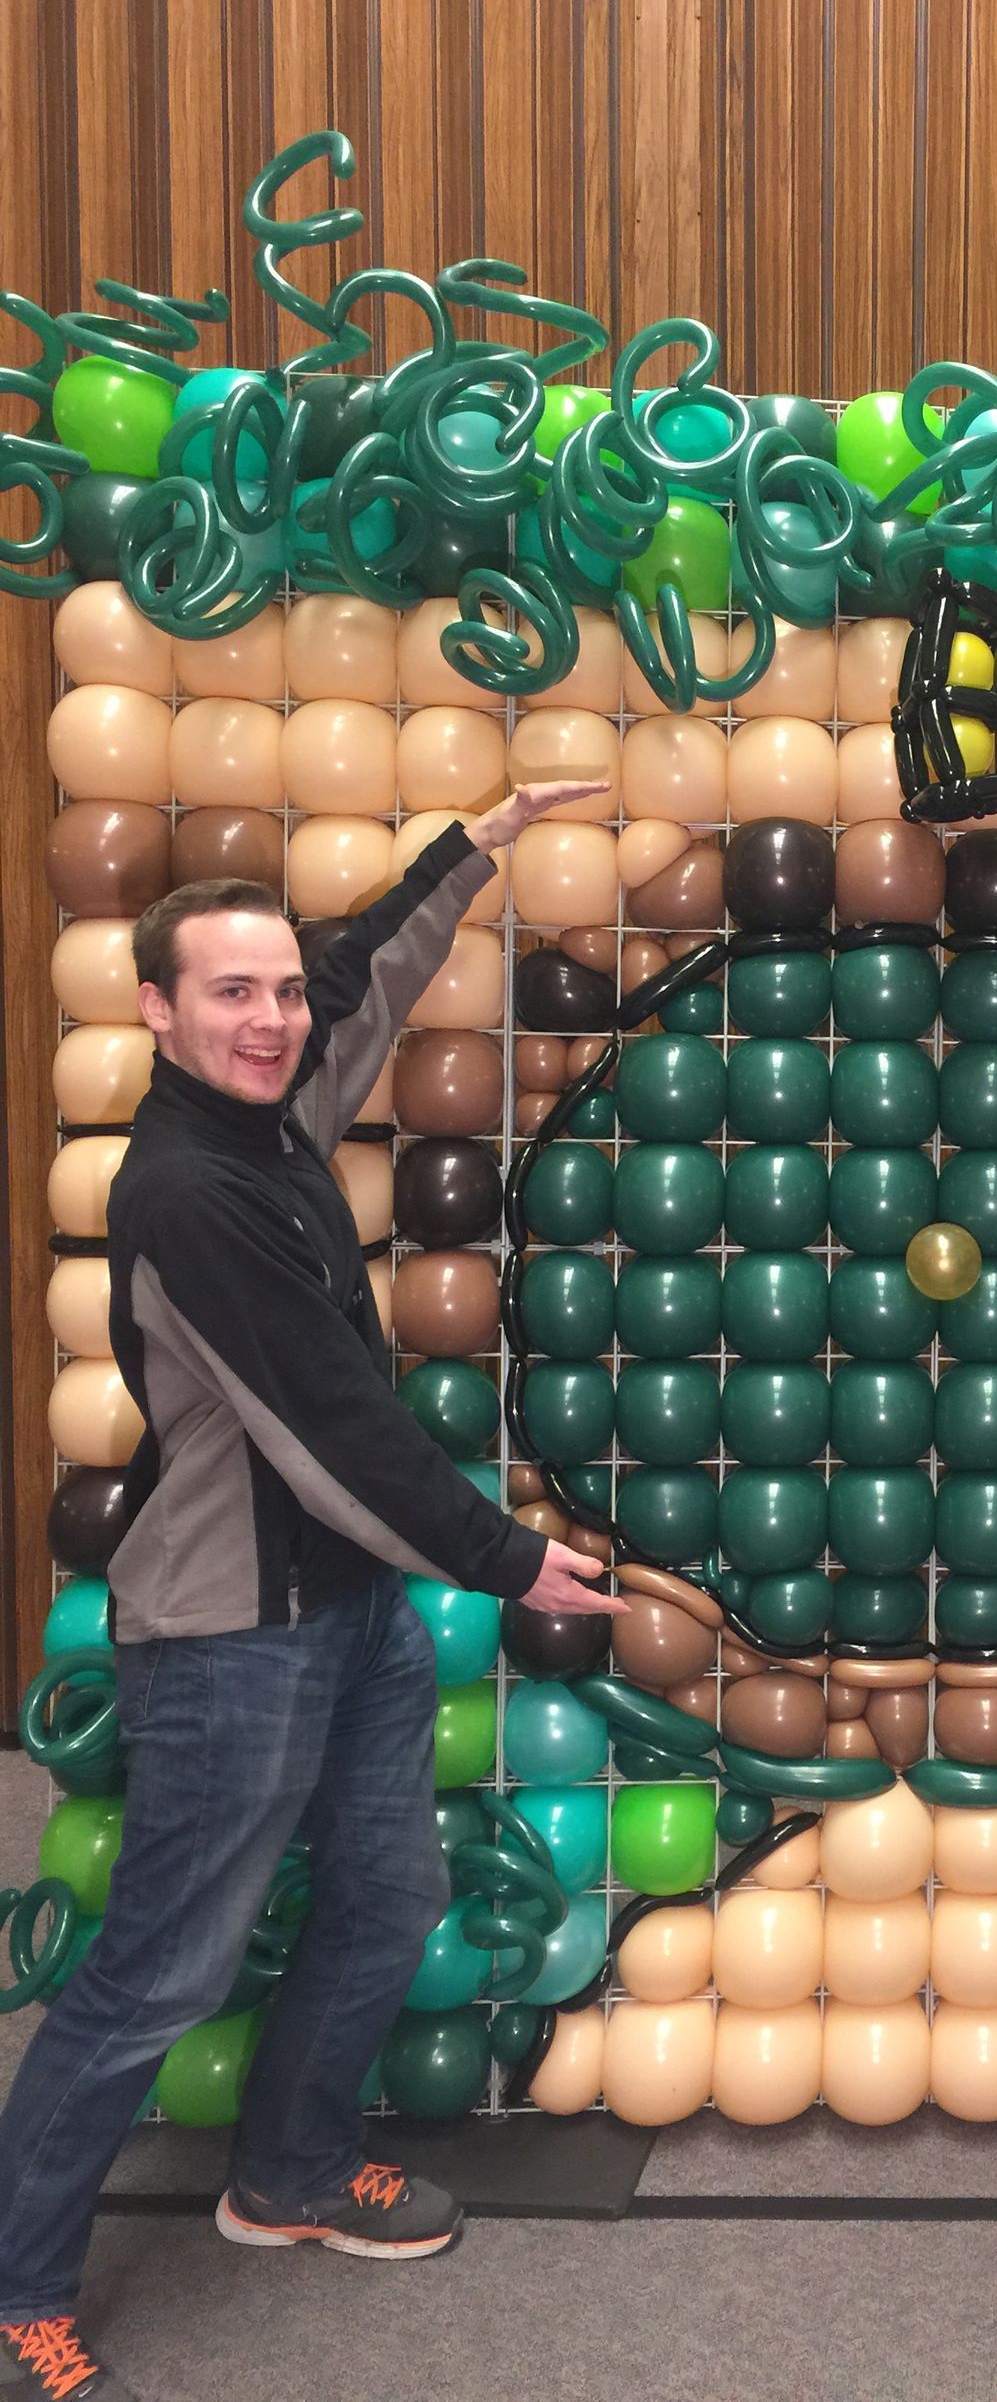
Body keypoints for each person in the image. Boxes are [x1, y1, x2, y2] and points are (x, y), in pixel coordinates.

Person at [0, 788, 620, 2402]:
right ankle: (15, 2291)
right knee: (159, 1973)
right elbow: (324, 1428)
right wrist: (500, 1557)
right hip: (228, 1637)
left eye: (277, 992)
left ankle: (285, 2172)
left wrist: (469, 847)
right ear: (155, 1007)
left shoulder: (269, 1113)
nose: (273, 1017)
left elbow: (359, 978)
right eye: (231, 992)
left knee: (386, 1896)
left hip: (347, 1614)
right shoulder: (186, 1195)